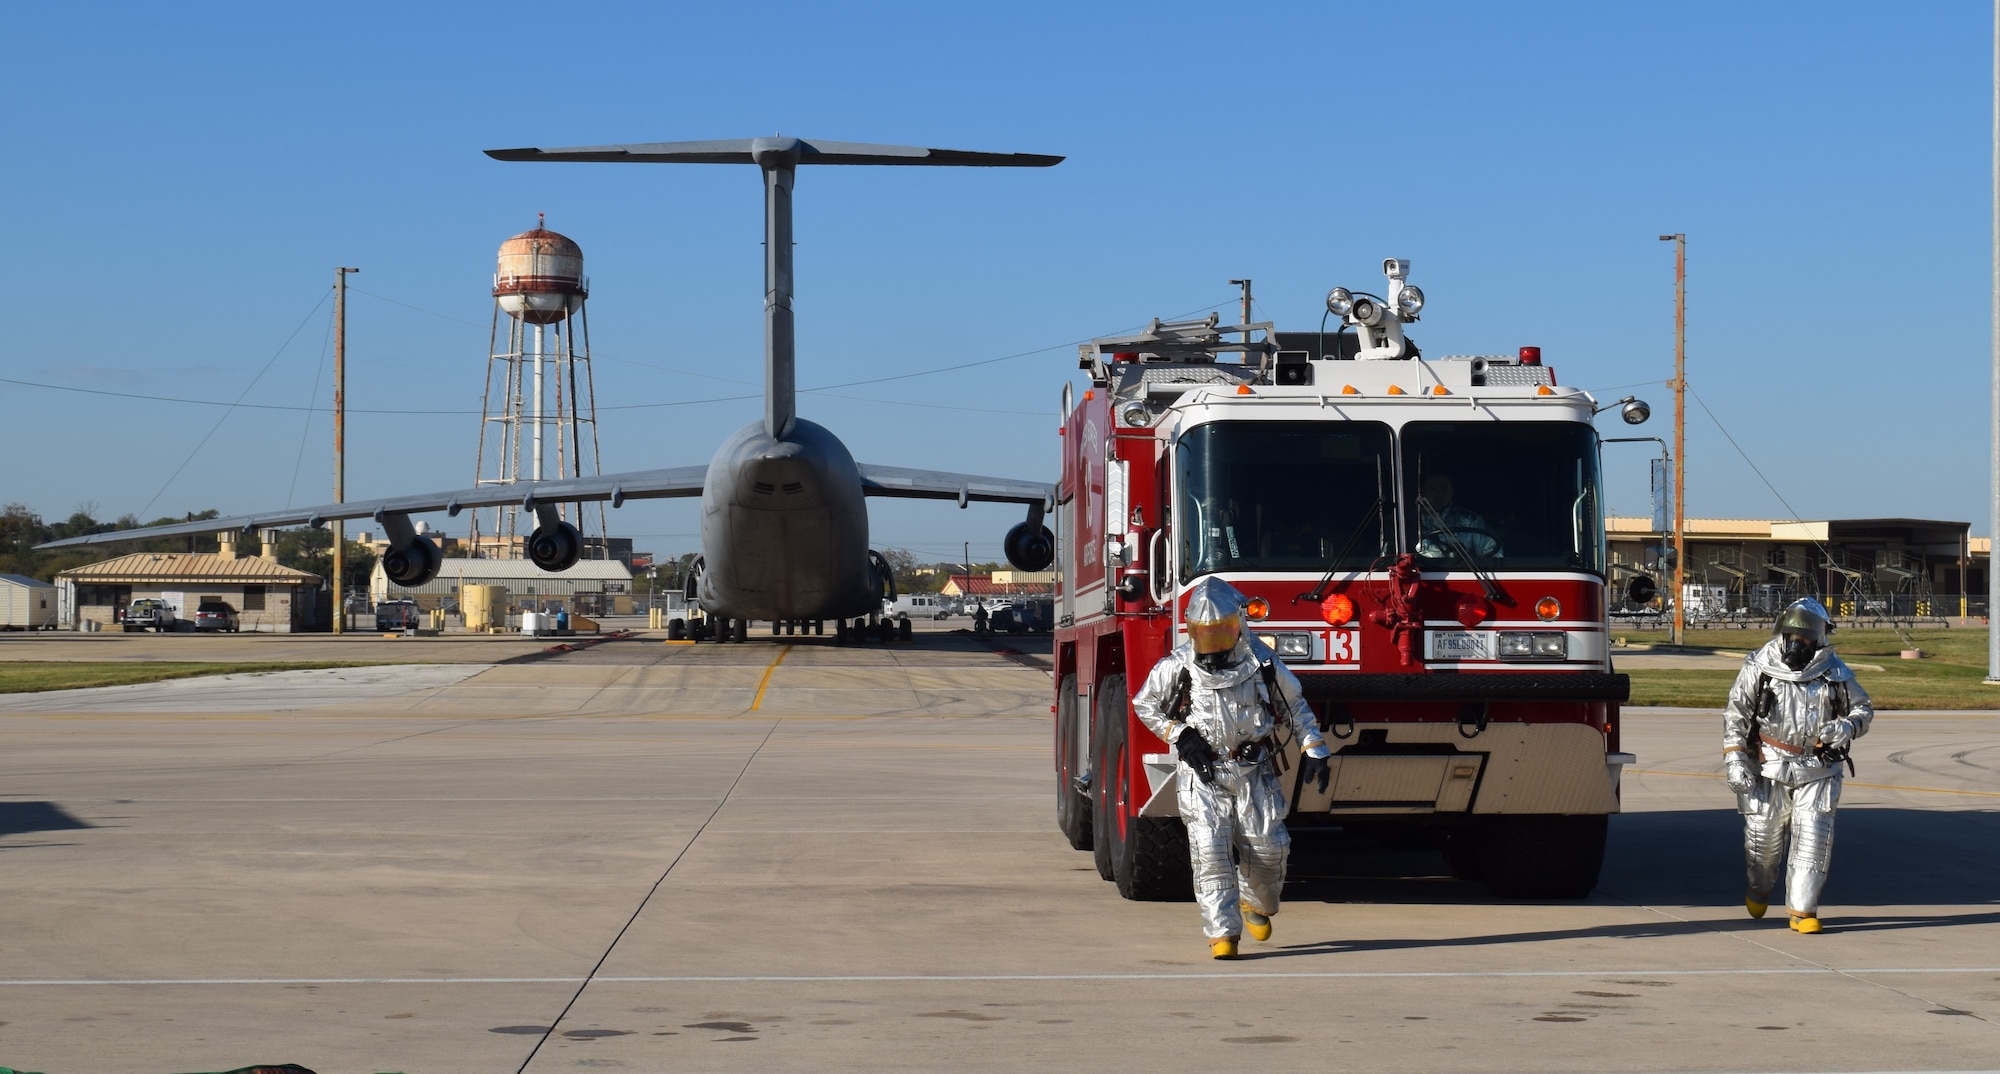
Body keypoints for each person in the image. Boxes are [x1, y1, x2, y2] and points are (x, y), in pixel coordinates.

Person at [1132, 577, 1332, 959]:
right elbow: (1146, 705)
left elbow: (1295, 706)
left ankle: (1256, 902)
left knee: (1270, 850)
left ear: (1239, 624)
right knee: (1210, 852)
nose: (1214, 642)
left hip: (1254, 770)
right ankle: (1222, 933)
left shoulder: (1263, 663)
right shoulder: (1178, 666)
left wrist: (1315, 748)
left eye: (1222, 631)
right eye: (1205, 634)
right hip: (1204, 774)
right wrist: (1180, 733)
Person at [1722, 597, 1873, 934]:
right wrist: (1735, 758)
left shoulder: (1835, 672)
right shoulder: (1758, 667)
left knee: (1813, 836)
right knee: (1763, 843)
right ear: (1783, 635)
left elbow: (1863, 708)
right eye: (1794, 635)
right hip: (1768, 765)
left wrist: (1846, 727)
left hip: (1818, 767)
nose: (1799, 643)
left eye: (1807, 636)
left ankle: (1803, 911)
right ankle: (1759, 888)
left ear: (1820, 637)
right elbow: (1736, 716)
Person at [1415, 473, 1500, 562]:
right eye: (1433, 489)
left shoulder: (1472, 520)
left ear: (1452, 492)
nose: (1439, 494)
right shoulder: (1410, 523)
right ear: (1423, 492)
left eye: (1444, 489)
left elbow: (1494, 556)